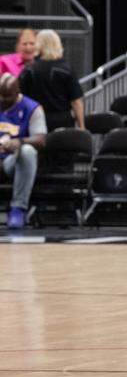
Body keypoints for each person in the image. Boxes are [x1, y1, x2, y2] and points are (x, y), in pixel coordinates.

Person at [0, 73, 47, 230]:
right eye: (0, 95)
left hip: (11, 161)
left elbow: (40, 140)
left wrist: (19, 142)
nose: (3, 99)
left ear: (17, 91)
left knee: (28, 151)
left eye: (7, 96)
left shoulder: (32, 108)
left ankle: (18, 209)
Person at [17, 30, 83, 131]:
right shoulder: (66, 69)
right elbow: (76, 102)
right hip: (63, 122)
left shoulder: (29, 70)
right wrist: (82, 126)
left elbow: (21, 99)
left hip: (36, 121)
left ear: (39, 45)